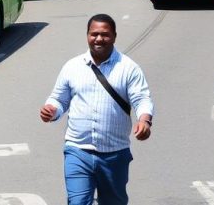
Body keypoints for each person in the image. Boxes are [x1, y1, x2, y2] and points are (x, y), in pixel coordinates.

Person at [39, 14, 153, 205]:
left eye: (105, 34)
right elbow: (59, 99)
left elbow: (142, 99)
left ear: (114, 36)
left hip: (114, 154)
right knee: (77, 202)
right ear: (87, 36)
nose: (99, 38)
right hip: (77, 151)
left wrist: (145, 120)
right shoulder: (72, 66)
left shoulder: (129, 68)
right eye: (94, 34)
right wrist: (52, 110)